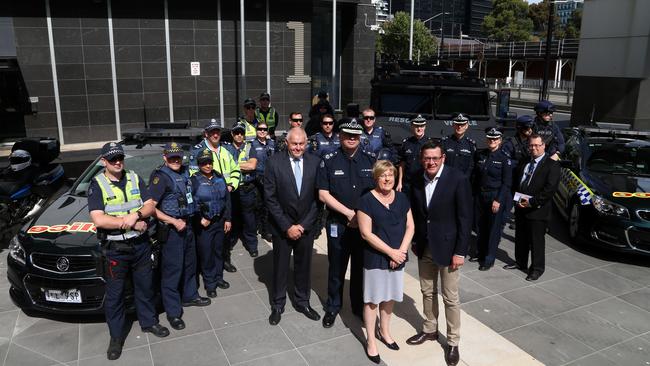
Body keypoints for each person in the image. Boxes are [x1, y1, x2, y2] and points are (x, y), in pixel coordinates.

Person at [88, 142, 169, 360]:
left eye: (120, 158)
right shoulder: (97, 184)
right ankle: (116, 337)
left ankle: (149, 322)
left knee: (145, 287)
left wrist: (139, 216)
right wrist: (130, 221)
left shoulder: (134, 177)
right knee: (115, 296)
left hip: (141, 246)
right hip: (116, 250)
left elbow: (150, 205)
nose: (117, 162)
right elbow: (98, 219)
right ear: (103, 161)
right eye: (112, 159)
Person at [407, 141, 472, 366]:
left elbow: (465, 218)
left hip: (449, 249)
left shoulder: (458, 179)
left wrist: (460, 251)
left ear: (443, 157)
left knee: (450, 297)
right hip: (424, 246)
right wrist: (415, 241)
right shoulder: (416, 178)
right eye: (427, 158)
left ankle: (453, 342)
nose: (431, 162)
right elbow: (416, 213)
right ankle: (430, 329)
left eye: (435, 158)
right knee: (427, 292)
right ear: (421, 159)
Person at [317, 118, 376, 328]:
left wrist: (359, 216)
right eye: (347, 134)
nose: (352, 138)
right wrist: (349, 213)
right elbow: (323, 194)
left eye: (355, 135)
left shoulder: (371, 160)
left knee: (360, 268)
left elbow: (377, 194)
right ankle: (333, 306)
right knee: (336, 268)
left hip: (363, 227)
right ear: (340, 135)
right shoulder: (329, 159)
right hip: (338, 225)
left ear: (360, 137)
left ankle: (358, 307)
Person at [149, 143, 211, 332]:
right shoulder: (161, 178)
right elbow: (151, 208)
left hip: (188, 226)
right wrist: (173, 222)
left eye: (178, 157)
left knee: (190, 264)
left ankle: (190, 295)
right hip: (172, 230)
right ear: (164, 158)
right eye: (171, 157)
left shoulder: (184, 172)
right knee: (172, 271)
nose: (176, 160)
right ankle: (173, 312)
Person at [357, 160, 414, 364]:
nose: (387, 178)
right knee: (373, 300)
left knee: (389, 297)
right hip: (376, 258)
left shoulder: (402, 198)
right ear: (376, 178)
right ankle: (371, 340)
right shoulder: (366, 200)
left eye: (390, 174)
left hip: (398, 256)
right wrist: (391, 253)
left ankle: (385, 332)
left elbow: (410, 227)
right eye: (383, 175)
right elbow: (365, 233)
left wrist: (400, 252)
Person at [264, 127, 321, 325]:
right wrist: (287, 226)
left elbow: (318, 199)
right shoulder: (273, 162)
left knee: (303, 266)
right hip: (282, 227)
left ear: (306, 143)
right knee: (280, 266)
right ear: (286, 143)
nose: (297, 147)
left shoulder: (315, 162)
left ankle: (302, 301)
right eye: (294, 143)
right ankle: (278, 304)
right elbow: (270, 198)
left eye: (301, 143)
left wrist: (303, 225)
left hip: (306, 226)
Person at [504, 134, 560, 281]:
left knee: (536, 242)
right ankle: (520, 262)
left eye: (537, 145)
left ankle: (537, 269)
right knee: (521, 238)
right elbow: (517, 182)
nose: (533, 148)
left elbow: (549, 190)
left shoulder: (552, 165)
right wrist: (516, 199)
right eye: (531, 145)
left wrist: (532, 202)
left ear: (543, 146)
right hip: (521, 208)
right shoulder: (524, 162)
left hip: (537, 211)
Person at [189, 119, 241, 272]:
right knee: (207, 239)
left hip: (225, 198)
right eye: (212, 131)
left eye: (217, 131)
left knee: (224, 234)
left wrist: (231, 185)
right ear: (206, 134)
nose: (215, 134)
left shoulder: (227, 150)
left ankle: (224, 260)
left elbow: (236, 170)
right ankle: (207, 268)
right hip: (206, 203)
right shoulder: (197, 151)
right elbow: (193, 177)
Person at [191, 148, 232, 298]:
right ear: (199, 164)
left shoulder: (219, 177)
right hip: (204, 225)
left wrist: (228, 219)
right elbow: (191, 203)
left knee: (218, 251)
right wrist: (200, 218)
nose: (207, 166)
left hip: (220, 221)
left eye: (209, 162)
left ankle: (219, 278)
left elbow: (226, 200)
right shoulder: (194, 180)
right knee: (207, 254)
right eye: (204, 163)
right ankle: (210, 284)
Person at [470, 128, 512, 271]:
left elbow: (506, 183)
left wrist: (498, 200)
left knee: (493, 229)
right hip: (480, 196)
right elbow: (475, 176)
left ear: (500, 140)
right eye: (490, 139)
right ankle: (480, 253)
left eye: (495, 139)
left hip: (495, 196)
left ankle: (489, 258)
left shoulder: (504, 158)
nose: (492, 141)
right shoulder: (481, 154)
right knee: (480, 226)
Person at [224, 123, 259, 258]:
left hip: (246, 188)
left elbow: (252, 166)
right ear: (232, 134)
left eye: (241, 133)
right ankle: (230, 244)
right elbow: (225, 167)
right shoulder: (226, 148)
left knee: (249, 218)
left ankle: (252, 245)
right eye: (237, 133)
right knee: (231, 217)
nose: (239, 135)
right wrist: (243, 166)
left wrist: (233, 166)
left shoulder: (250, 147)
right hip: (231, 189)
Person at [251, 122, 276, 241]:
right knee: (258, 206)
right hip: (257, 179)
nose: (262, 131)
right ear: (256, 130)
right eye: (260, 129)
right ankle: (259, 228)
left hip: (271, 179)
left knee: (268, 206)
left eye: (265, 129)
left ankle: (266, 230)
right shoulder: (252, 144)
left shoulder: (272, 143)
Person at [397, 114, 430, 196]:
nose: (419, 128)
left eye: (421, 126)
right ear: (412, 126)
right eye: (416, 126)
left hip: (423, 183)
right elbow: (402, 164)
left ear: (425, 127)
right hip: (407, 184)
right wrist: (399, 182)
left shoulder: (429, 144)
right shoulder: (406, 143)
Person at [441, 113, 476, 179]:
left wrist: (465, 178)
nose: (459, 127)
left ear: (466, 126)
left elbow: (471, 165)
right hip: (447, 179)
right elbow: (441, 163)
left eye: (462, 125)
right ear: (453, 125)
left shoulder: (470, 144)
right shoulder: (445, 142)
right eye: (457, 124)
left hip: (463, 181)